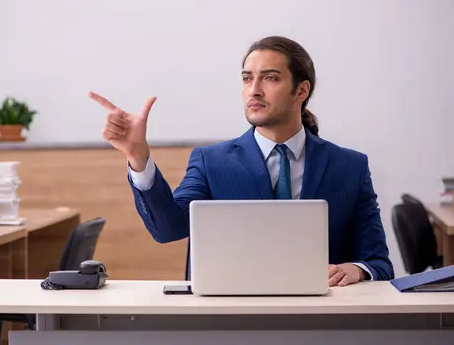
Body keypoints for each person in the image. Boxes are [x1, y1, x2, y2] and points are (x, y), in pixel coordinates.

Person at [89, 35, 394, 286]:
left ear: (302, 90)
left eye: (270, 78)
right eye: (248, 79)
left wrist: (357, 269)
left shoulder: (350, 167)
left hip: (321, 322)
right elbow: (168, 229)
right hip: (231, 321)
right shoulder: (211, 161)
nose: (254, 90)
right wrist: (138, 156)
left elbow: (379, 263)